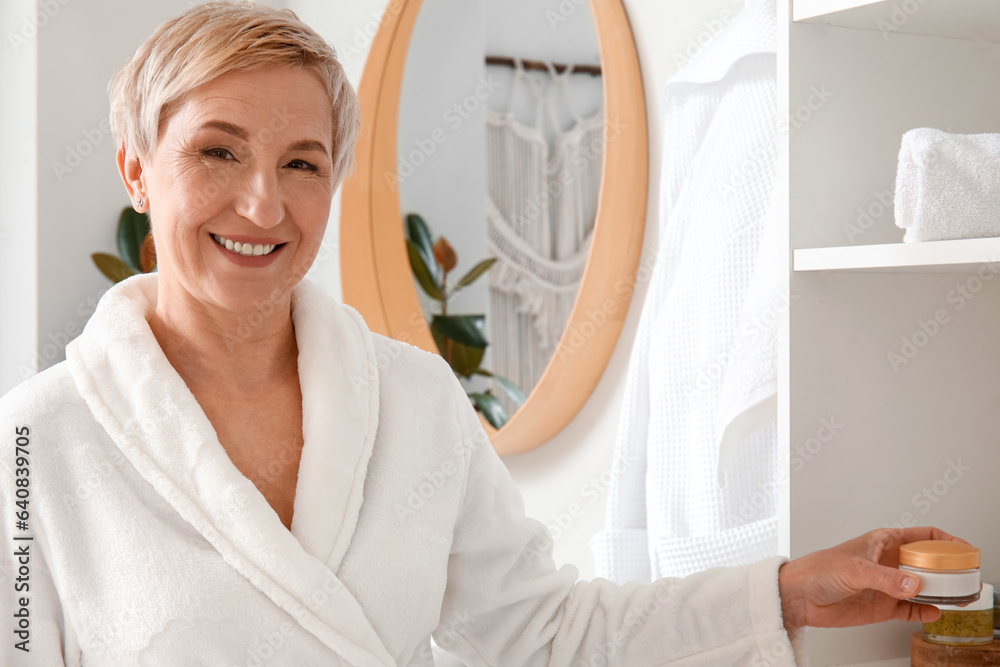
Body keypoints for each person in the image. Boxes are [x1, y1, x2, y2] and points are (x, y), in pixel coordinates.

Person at [0, 3, 962, 665]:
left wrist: (789, 591)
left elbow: (545, 633)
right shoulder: (34, 446)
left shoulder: (413, 401)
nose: (264, 202)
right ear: (135, 169)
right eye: (218, 149)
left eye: (303, 162)